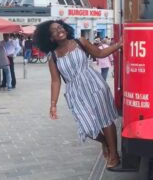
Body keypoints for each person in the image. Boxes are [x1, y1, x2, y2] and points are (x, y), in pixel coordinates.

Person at [33, 20, 122, 169]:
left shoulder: (80, 42)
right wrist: (53, 104)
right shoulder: (53, 57)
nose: (59, 30)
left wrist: (118, 45)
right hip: (75, 92)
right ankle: (105, 142)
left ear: (66, 29)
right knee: (86, 127)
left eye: (60, 27)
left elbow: (99, 53)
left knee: (105, 120)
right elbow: (56, 81)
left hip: (95, 85)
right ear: (50, 38)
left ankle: (114, 155)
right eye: (54, 31)